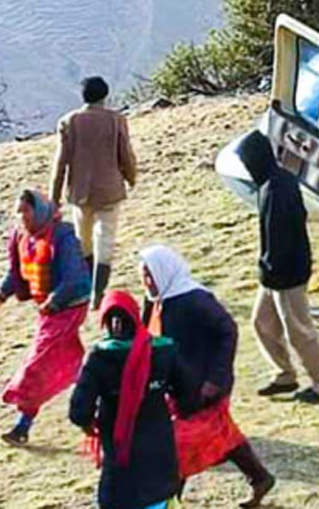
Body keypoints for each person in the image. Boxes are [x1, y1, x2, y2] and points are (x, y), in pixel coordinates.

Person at [140, 245, 275, 508]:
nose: (146, 281)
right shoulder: (155, 301)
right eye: (143, 274)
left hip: (204, 386)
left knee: (179, 443)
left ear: (163, 272)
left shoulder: (194, 300)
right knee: (220, 437)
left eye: (149, 274)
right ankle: (260, 478)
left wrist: (216, 377)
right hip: (177, 386)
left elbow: (228, 330)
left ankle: (168, 500)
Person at [69, 289, 194, 509]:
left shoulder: (100, 357)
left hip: (120, 451)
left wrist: (90, 425)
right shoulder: (164, 350)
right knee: (159, 497)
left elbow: (79, 411)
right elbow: (188, 391)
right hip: (159, 444)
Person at [237, 131, 319, 403]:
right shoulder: (279, 181)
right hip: (276, 272)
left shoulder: (274, 190)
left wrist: (270, 269)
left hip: (285, 273)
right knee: (262, 322)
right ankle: (285, 375)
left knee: (300, 332)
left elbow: (279, 238)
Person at [0, 189, 90, 445]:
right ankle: (88, 380)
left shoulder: (63, 235)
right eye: (19, 213)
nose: (22, 218)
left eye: (25, 211)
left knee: (38, 363)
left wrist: (54, 301)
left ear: (38, 210)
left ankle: (22, 418)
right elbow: (16, 273)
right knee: (51, 363)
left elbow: (74, 279)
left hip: (69, 307)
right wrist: (3, 293)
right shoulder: (21, 237)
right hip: (48, 310)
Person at [50, 75, 138, 309]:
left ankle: (87, 288)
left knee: (84, 242)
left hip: (80, 193)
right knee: (105, 241)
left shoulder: (69, 121)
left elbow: (60, 164)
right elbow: (125, 154)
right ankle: (98, 294)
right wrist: (131, 177)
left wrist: (54, 198)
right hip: (109, 191)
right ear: (105, 95)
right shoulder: (116, 120)